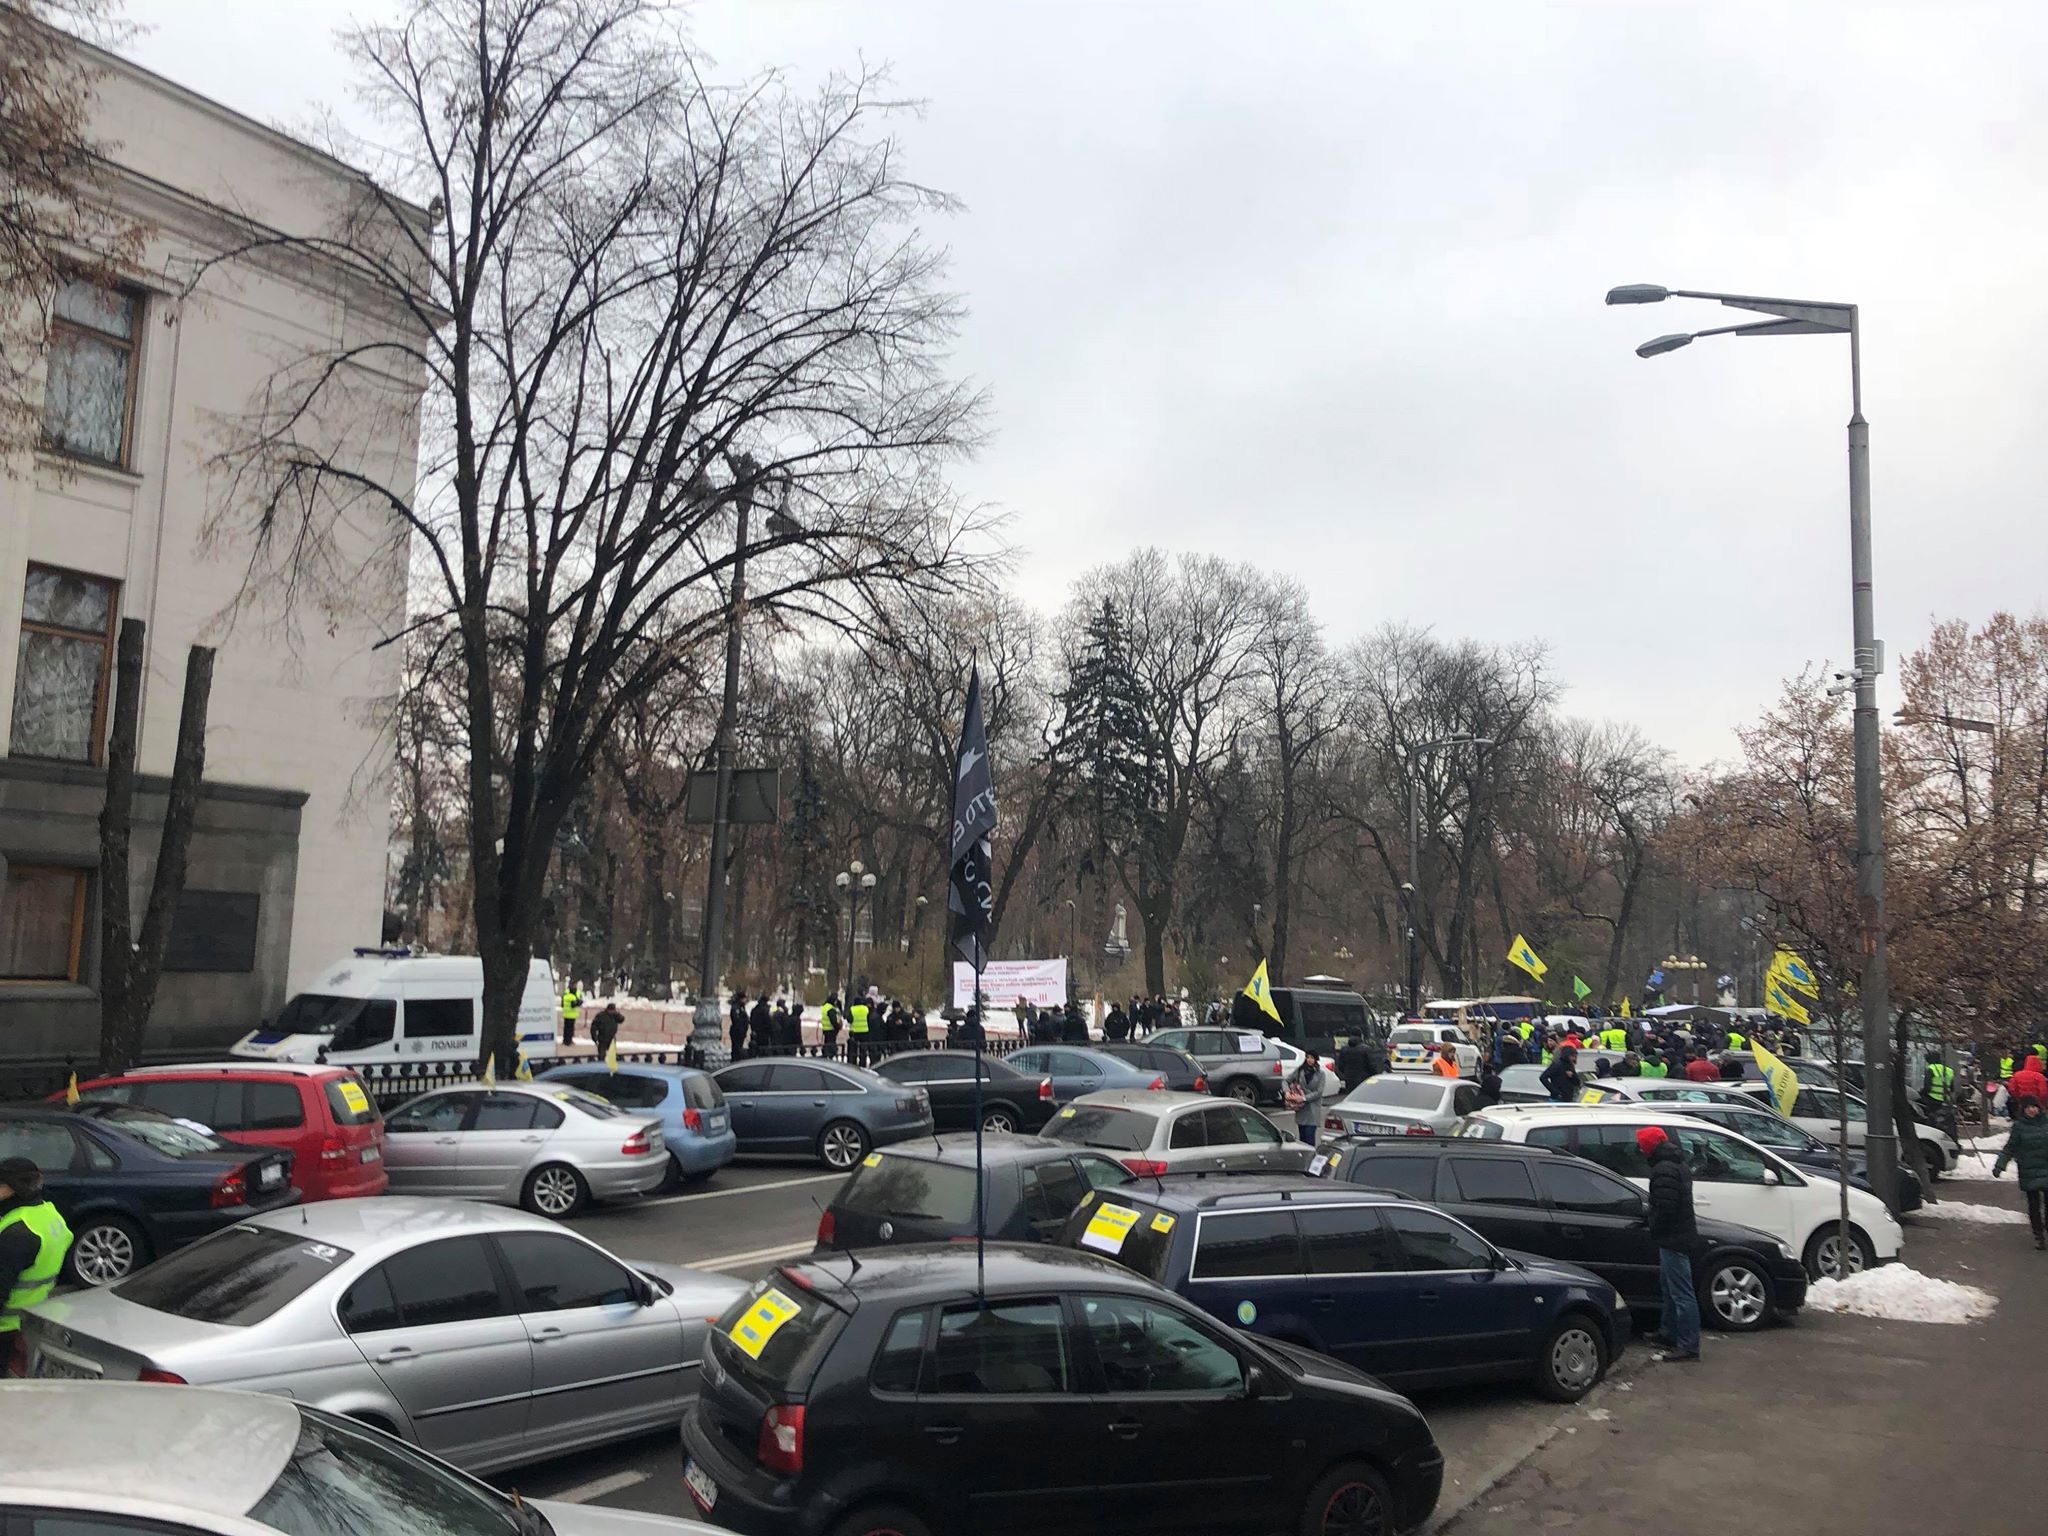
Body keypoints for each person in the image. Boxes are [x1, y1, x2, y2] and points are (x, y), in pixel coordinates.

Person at [1638, 1126, 1701, 1362]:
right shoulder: (1676, 1163)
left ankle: (1688, 1344)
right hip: (1677, 1236)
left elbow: (1665, 1207)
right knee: (1671, 1289)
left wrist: (1653, 1223)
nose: (1639, 1149)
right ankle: (1669, 1333)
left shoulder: (1664, 1169)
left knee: (1681, 1293)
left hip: (1673, 1238)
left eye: (1641, 1145)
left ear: (1650, 1146)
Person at [0, 1157, 71, 1341]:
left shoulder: (17, 1233)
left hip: (6, 1327)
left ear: (14, 1189)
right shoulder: (50, 1215)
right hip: (32, 1318)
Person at [1992, 1093, 2048, 1249]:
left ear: (2038, 1108)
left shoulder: (2046, 1122)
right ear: (2023, 1110)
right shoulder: (2019, 1126)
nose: (2031, 1110)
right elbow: (2010, 1148)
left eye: (2034, 1107)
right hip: (2029, 1171)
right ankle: (2038, 1235)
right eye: (2028, 1107)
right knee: (2034, 1206)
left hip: (2046, 1167)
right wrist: (1999, 1165)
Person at [1286, 1053, 1327, 1143]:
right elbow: (1286, 1080)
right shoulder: (1300, 1070)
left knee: (1310, 1136)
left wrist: (1304, 1098)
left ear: (1316, 1059)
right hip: (1301, 1108)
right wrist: (1287, 1092)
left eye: (1312, 1058)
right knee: (1302, 1137)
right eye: (1307, 1057)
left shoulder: (1321, 1074)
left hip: (1313, 1108)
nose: (1309, 1060)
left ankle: (1311, 1151)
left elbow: (1319, 1092)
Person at [847, 994, 871, 1065]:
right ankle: (862, 1063)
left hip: (854, 1032)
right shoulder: (865, 1009)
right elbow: (869, 1018)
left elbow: (849, 1019)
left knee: (853, 1049)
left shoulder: (852, 1009)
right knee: (863, 1050)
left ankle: (853, 1063)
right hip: (865, 1031)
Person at [560, 980, 583, 1046]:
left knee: (570, 1028)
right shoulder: (567, 992)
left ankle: (568, 1040)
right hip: (568, 1012)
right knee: (568, 1028)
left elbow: (579, 1000)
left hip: (572, 1013)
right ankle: (567, 1041)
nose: (574, 986)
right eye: (573, 984)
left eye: (575, 985)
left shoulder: (577, 992)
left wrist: (579, 1002)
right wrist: (577, 1002)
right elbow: (564, 1003)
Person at [728, 991, 749, 1058]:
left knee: (739, 1048)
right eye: (744, 999)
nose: (745, 1000)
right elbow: (736, 1020)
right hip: (737, 1032)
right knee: (736, 1049)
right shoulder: (736, 1007)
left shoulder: (741, 1007)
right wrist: (741, 1029)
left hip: (741, 1032)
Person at [820, 994, 840, 1059]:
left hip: (825, 1028)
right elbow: (833, 1020)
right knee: (831, 1045)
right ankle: (830, 1056)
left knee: (827, 1043)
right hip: (831, 1029)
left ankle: (826, 1054)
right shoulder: (831, 1009)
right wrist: (838, 1027)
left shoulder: (825, 1007)